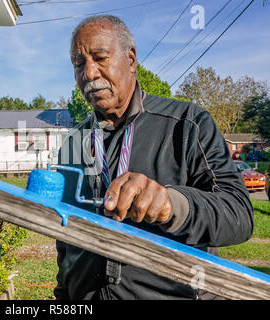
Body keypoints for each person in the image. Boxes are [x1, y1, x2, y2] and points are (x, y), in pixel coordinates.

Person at [55, 15, 254, 300]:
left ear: (131, 60)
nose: (89, 73)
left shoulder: (188, 124)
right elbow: (64, 236)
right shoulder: (72, 142)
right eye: (78, 63)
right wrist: (62, 294)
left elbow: (240, 215)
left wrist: (170, 205)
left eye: (100, 57)